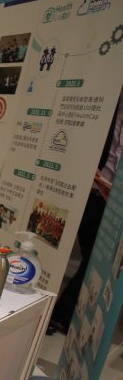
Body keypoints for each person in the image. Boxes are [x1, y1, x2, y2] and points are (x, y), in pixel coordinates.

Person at [48, 91, 123, 334]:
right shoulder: (108, 95)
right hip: (90, 189)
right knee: (91, 255)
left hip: (114, 196)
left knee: (100, 258)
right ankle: (64, 314)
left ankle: (66, 314)